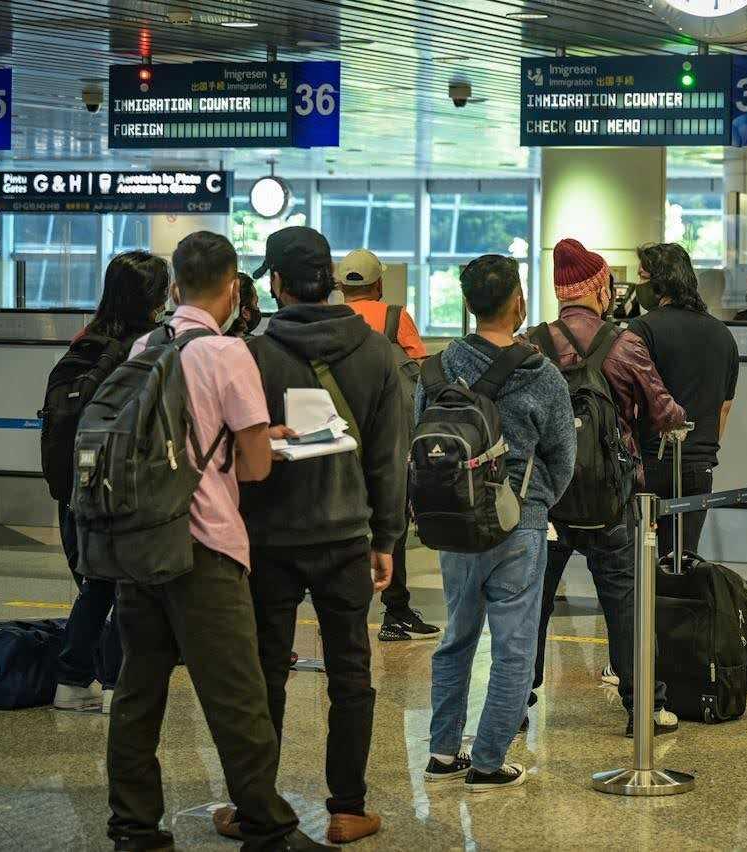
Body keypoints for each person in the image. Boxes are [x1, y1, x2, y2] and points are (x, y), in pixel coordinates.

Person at [110, 231, 329, 852]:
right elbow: (257, 467)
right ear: (233, 288)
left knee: (138, 691)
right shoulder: (228, 352)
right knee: (237, 697)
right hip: (204, 548)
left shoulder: (144, 345)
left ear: (174, 287)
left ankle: (133, 826)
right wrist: (258, 440)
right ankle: (267, 826)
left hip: (140, 542)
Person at [208, 229, 407, 845]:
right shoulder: (378, 353)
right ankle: (348, 807)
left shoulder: (248, 353)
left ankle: (253, 808)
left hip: (267, 540)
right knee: (351, 670)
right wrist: (386, 539)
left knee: (264, 671)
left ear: (276, 284)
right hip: (347, 536)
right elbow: (389, 458)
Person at [422, 254, 574, 793]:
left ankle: (442, 751)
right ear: (519, 302)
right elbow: (563, 458)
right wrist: (533, 502)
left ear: (467, 303)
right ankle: (487, 761)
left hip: (455, 525)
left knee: (456, 637)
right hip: (519, 525)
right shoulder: (542, 374)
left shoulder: (438, 369)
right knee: (514, 646)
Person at [528, 238, 685, 737]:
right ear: (599, 287)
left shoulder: (533, 343)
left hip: (546, 499)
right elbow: (664, 414)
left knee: (533, 601)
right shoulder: (623, 343)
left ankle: (515, 704)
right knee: (624, 602)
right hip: (610, 498)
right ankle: (644, 707)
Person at [52, 251, 169, 714]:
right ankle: (112, 681)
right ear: (156, 296)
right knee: (125, 586)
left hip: (76, 486)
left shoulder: (87, 339)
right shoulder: (144, 347)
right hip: (121, 486)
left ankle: (77, 677)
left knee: (99, 584)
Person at [334, 248, 439, 642]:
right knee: (389, 524)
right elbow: (421, 378)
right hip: (389, 439)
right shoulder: (395, 318)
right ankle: (395, 612)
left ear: (341, 287)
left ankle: (348, 619)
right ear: (379, 284)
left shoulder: (334, 322)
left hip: (341, 440)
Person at [629, 242, 739, 558]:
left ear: (660, 282)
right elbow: (724, 407)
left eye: (642, 276)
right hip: (699, 468)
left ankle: (651, 609)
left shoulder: (643, 329)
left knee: (646, 564)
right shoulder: (722, 335)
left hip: (651, 464)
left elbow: (632, 399)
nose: (639, 285)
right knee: (683, 560)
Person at [227, 272, 264, 337]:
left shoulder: (208, 339)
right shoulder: (257, 345)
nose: (258, 309)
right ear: (245, 313)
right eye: (255, 304)